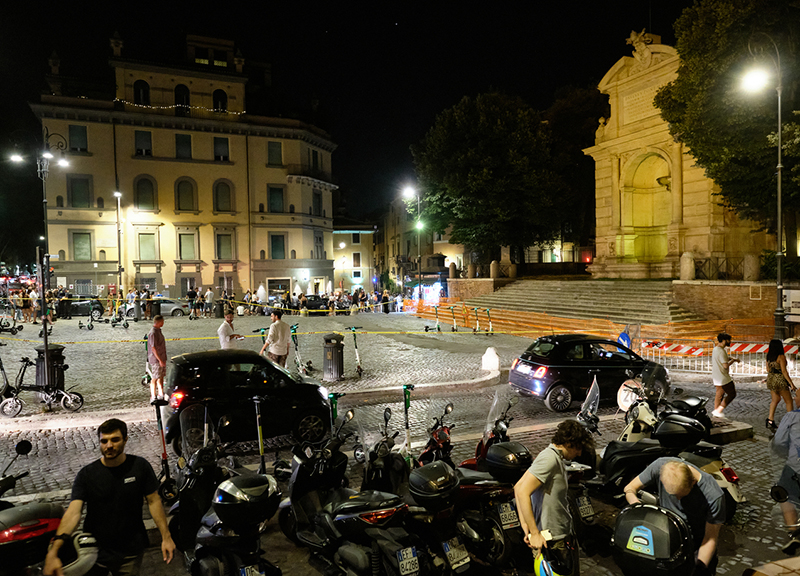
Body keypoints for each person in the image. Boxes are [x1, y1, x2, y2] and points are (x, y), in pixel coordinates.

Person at [43, 419, 175, 576]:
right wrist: (55, 550)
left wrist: (166, 537)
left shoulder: (140, 466)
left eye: (115, 440)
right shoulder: (87, 475)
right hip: (95, 551)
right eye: (104, 441)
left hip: (130, 549)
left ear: (125, 440)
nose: (109, 446)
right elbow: (73, 512)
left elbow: (154, 501)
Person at [514, 420, 595, 576]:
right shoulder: (549, 459)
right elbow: (522, 490)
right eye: (578, 448)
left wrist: (526, 528)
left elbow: (518, 487)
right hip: (553, 540)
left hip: (558, 535)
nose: (579, 453)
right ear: (568, 443)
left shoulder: (552, 457)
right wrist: (534, 533)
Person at [624, 458, 725, 575]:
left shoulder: (713, 496)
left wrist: (699, 568)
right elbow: (629, 489)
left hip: (696, 546)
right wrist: (637, 505)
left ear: (693, 482)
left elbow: (710, 539)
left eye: (680, 495)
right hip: (667, 541)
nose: (677, 499)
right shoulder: (660, 466)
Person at [771, 408, 800, 554]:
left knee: (783, 493)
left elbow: (779, 442)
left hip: (796, 467)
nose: (795, 397)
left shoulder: (792, 416)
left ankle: (793, 531)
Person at [766, 338, 796, 431]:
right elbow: (784, 371)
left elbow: (767, 369)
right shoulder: (781, 357)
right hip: (779, 380)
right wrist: (791, 384)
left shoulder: (769, 356)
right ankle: (790, 422)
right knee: (789, 401)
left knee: (775, 400)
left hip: (771, 379)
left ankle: (770, 420)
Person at [711, 332, 740, 418]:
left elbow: (721, 358)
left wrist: (730, 358)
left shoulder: (715, 349)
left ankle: (716, 414)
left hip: (716, 376)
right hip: (723, 377)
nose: (729, 342)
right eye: (728, 340)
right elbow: (725, 366)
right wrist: (733, 361)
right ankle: (718, 410)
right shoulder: (722, 351)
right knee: (732, 394)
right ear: (724, 340)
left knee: (719, 395)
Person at [147, 315, 168, 405]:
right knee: (155, 377)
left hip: (161, 358)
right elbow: (153, 348)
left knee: (161, 376)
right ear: (159, 322)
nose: (163, 323)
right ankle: (153, 396)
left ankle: (160, 394)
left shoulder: (158, 331)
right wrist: (159, 360)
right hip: (156, 359)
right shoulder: (153, 333)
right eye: (162, 321)